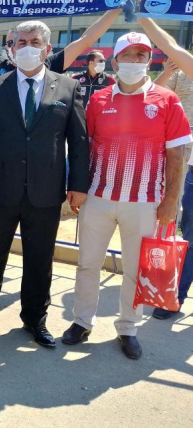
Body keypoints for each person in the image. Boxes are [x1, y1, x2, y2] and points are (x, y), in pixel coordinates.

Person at [62, 32, 191, 358]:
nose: (135, 62)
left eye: (141, 56)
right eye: (128, 56)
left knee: (135, 270)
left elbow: (178, 154)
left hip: (146, 203)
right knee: (88, 264)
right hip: (99, 197)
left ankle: (128, 328)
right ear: (116, 61)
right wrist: (76, 190)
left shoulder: (166, 100)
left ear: (150, 60)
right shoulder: (99, 100)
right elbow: (83, 148)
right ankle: (82, 321)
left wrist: (170, 201)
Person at [0, 20, 89, 348]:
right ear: (12, 48)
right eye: (21, 42)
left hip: (45, 192)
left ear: (48, 49)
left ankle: (34, 318)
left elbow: (78, 142)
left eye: (35, 41)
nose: (27, 47)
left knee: (39, 259)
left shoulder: (67, 88)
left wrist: (78, 185)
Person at [140, 17, 193, 320]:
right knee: (188, 230)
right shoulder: (181, 72)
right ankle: (175, 294)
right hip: (183, 155)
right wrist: (145, 16)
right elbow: (170, 46)